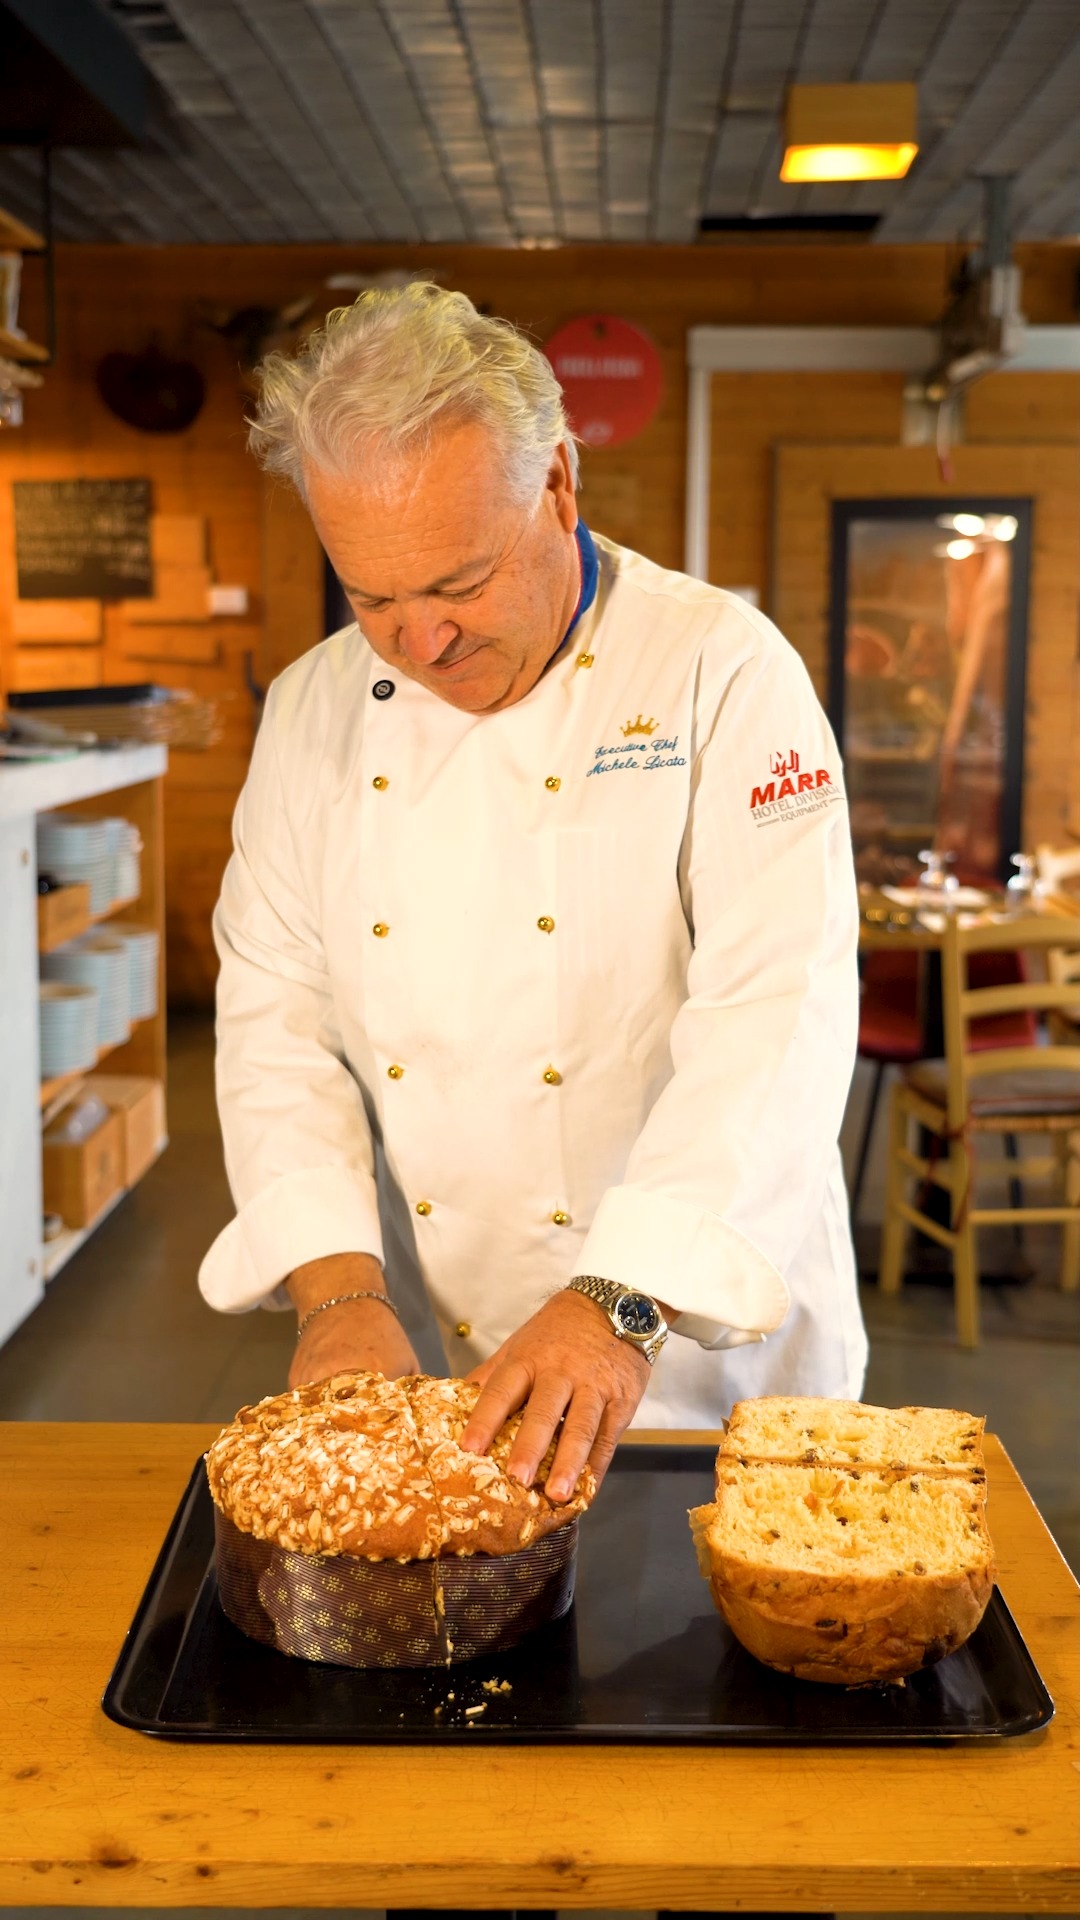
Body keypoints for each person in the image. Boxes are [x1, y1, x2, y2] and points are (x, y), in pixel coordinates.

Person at [198, 282, 865, 1504]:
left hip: (696, 1362)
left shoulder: (722, 668)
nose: (418, 644)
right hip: (434, 1366)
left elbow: (779, 1012)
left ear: (557, 484)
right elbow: (273, 1010)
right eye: (370, 595)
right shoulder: (311, 710)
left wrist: (619, 1298)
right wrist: (338, 1287)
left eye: (456, 584)